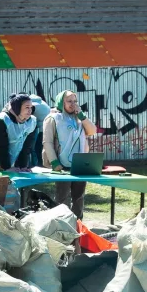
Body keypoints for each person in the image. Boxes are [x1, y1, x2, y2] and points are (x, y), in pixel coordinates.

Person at [43, 90, 97, 219]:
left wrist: (82, 117)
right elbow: (47, 141)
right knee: (62, 196)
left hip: (80, 163)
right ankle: (61, 223)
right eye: (69, 101)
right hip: (61, 164)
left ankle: (78, 223)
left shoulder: (79, 118)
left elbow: (92, 131)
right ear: (61, 102)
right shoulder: (53, 118)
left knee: (79, 196)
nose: (73, 104)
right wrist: (54, 162)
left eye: (75, 101)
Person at [0, 93, 38, 173]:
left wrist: (23, 166)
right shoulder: (1, 120)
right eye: (27, 107)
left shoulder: (32, 122)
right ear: (17, 107)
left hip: (9, 157)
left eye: (31, 107)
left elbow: (26, 146)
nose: (30, 110)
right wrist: (6, 167)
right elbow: (1, 146)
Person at [29, 94, 50, 167]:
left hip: (42, 129)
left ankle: (38, 165)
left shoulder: (33, 105)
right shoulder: (41, 102)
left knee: (36, 148)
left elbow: (28, 117)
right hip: (46, 127)